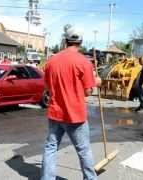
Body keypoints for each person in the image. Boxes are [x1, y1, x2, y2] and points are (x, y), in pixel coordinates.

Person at [41, 26, 100, 180]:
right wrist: (96, 82)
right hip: (75, 116)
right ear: (80, 42)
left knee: (51, 148)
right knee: (84, 150)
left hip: (55, 113)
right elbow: (88, 92)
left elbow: (47, 87)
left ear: (65, 40)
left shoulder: (51, 61)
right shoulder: (84, 62)